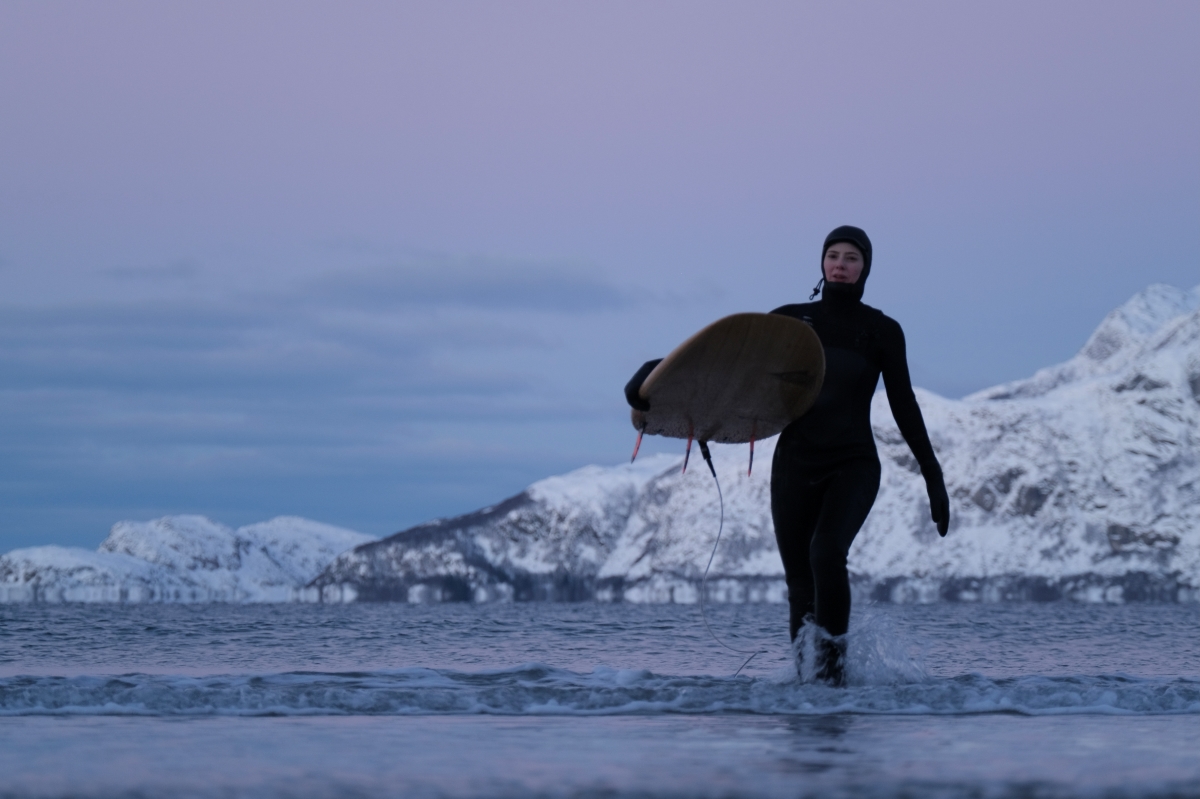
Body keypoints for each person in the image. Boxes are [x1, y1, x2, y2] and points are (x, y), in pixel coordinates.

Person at [624, 225, 949, 685]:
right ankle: (806, 684)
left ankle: (834, 680)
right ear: (821, 263)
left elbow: (904, 405)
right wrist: (654, 374)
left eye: (852, 257)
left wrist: (932, 476)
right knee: (800, 581)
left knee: (826, 553)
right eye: (833, 255)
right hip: (796, 462)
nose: (841, 263)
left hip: (853, 461)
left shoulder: (882, 331)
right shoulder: (789, 324)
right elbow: (727, 371)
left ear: (866, 268)